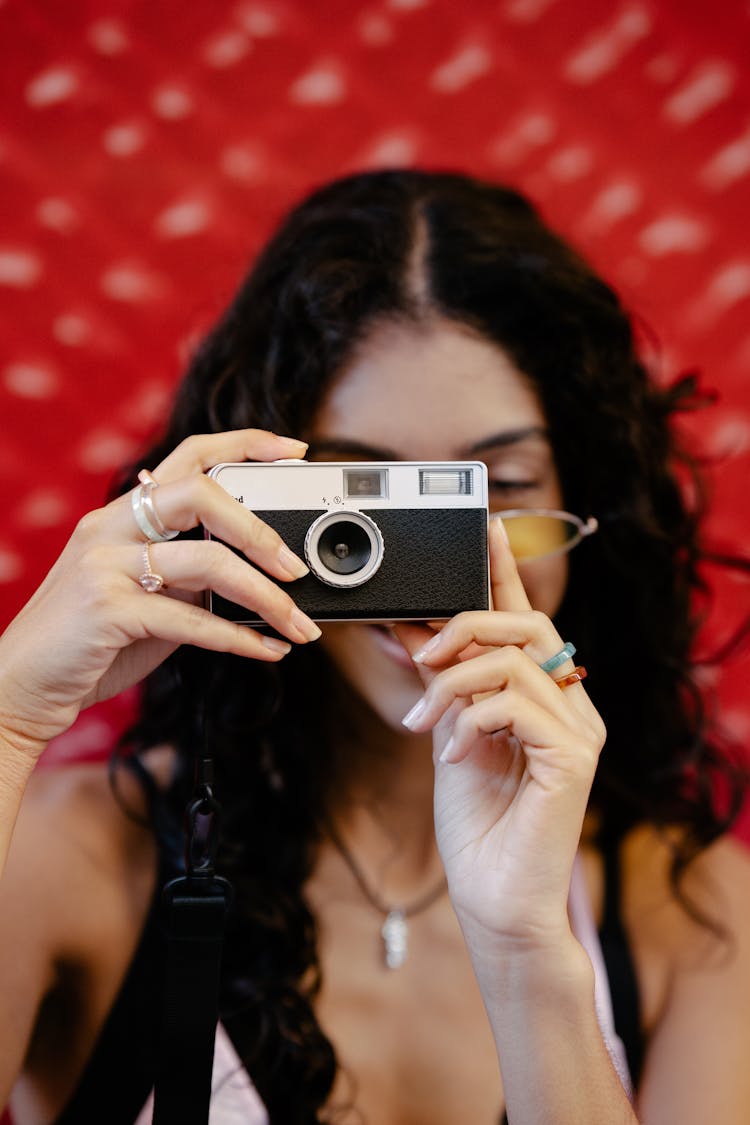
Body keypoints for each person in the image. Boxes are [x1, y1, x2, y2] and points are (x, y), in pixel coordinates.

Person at [1, 168, 749, 1125]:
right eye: (360, 505)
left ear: (584, 510)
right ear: (251, 507)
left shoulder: (697, 916)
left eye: (497, 488)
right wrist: (9, 713)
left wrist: (526, 950)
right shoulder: (72, 860)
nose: (436, 569)